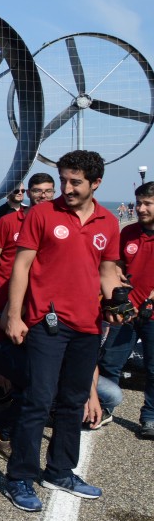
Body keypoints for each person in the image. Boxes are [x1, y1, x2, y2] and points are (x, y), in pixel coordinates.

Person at [0, 150, 122, 513]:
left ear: (95, 183)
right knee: (38, 400)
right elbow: (21, 266)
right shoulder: (42, 214)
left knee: (72, 403)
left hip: (88, 325)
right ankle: (19, 476)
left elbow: (108, 271)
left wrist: (117, 303)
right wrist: (15, 315)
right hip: (46, 323)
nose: (66, 188)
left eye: (75, 182)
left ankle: (60, 471)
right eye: (64, 180)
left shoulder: (108, 222)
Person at [97, 181, 154, 439]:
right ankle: (103, 407)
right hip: (127, 312)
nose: (140, 208)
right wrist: (119, 278)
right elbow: (116, 265)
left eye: (147, 204)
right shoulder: (129, 232)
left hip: (151, 314)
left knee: (153, 368)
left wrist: (150, 300)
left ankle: (149, 417)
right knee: (110, 361)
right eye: (139, 203)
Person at [0, 173, 56, 304]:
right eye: (37, 191)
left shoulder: (58, 223)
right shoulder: (7, 221)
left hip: (43, 292)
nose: (43, 195)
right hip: (8, 290)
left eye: (48, 191)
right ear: (28, 193)